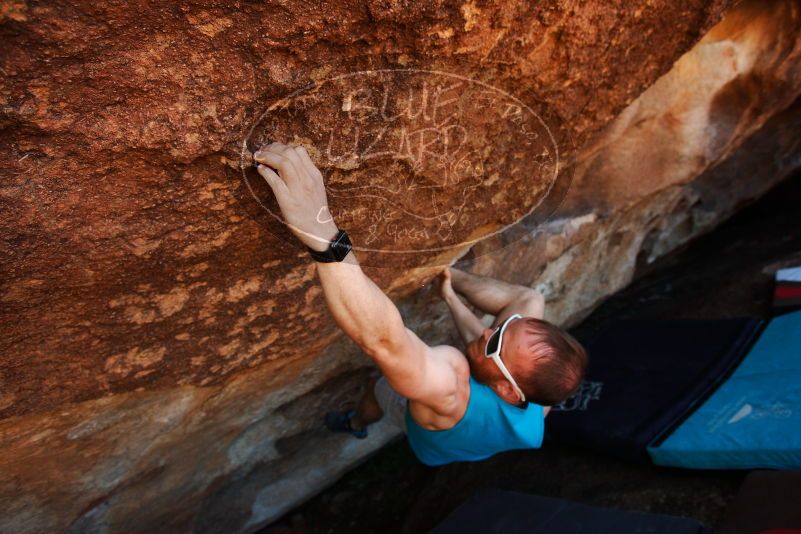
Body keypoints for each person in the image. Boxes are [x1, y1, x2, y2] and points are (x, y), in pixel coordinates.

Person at [254, 142, 588, 466]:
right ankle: (453, 274)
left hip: (432, 436)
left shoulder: (450, 390)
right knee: (531, 299)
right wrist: (450, 292)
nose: (488, 330)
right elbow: (502, 331)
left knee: (379, 385)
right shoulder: (538, 398)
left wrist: (320, 230)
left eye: (498, 339)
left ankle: (356, 423)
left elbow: (386, 343)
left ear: (507, 390)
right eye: (507, 325)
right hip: (472, 444)